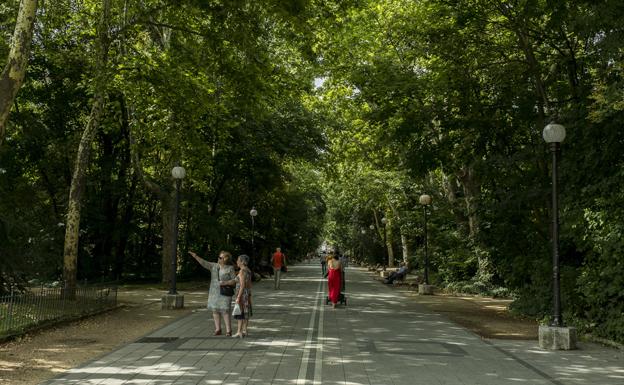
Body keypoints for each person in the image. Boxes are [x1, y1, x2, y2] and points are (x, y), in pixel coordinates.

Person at [189, 250, 236, 336]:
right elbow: (204, 263)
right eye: (219, 257)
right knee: (215, 310)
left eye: (220, 257)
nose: (218, 258)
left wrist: (225, 283)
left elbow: (235, 280)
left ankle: (228, 330)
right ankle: (218, 329)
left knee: (225, 311)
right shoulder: (214, 266)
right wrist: (195, 256)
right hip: (214, 292)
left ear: (226, 259)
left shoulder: (230, 268)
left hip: (225, 292)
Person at [230, 254, 253, 338]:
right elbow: (250, 284)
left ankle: (239, 332)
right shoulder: (248, 270)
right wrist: (250, 295)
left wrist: (238, 297)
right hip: (247, 294)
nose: (237, 261)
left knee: (240, 312)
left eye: (238, 260)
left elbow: (242, 285)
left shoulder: (242, 271)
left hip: (242, 294)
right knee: (246, 313)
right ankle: (245, 331)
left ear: (242, 262)